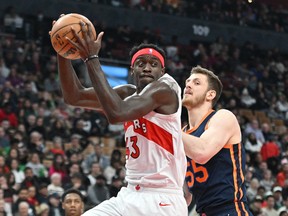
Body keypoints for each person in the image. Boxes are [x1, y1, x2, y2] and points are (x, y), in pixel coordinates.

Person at [53, 17, 187, 216]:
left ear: (163, 71)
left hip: (161, 199)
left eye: (154, 64)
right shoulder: (127, 93)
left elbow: (117, 114)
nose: (147, 68)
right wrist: (63, 51)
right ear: (132, 70)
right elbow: (74, 96)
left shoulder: (165, 90)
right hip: (130, 194)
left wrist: (91, 58)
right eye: (141, 63)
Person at [181, 66, 253, 215]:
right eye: (187, 81)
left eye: (196, 83)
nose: (188, 85)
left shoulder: (222, 117)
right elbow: (186, 195)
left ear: (210, 94)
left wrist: (163, 125)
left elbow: (202, 152)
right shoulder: (181, 133)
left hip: (230, 210)